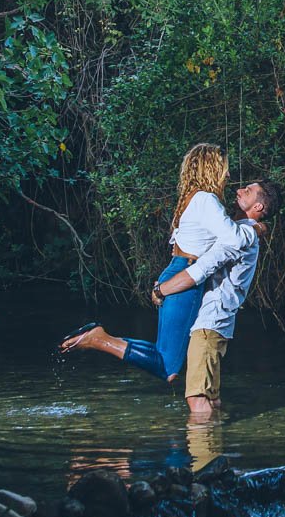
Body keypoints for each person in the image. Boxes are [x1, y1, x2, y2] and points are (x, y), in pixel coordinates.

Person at [59, 143, 261, 384]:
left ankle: (98, 338)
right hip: (185, 277)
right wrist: (257, 227)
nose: (228, 175)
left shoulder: (192, 198)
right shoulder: (206, 200)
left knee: (164, 356)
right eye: (225, 169)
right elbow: (234, 239)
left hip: (177, 270)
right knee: (168, 367)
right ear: (212, 169)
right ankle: (99, 339)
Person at [180, 179, 278, 415]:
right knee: (210, 400)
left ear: (259, 208)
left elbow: (201, 269)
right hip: (216, 324)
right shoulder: (242, 231)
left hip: (209, 323)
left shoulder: (240, 235)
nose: (239, 190)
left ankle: (202, 450)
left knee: (197, 399)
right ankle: (214, 448)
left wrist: (161, 289)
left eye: (249, 191)